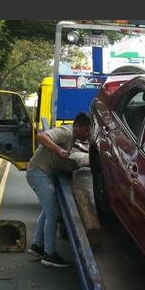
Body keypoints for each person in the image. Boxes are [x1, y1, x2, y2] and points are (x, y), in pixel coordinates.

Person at [25, 112, 90, 268]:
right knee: (52, 213)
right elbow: (41, 136)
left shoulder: (73, 138)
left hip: (42, 174)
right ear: (78, 126)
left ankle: (37, 246)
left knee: (47, 211)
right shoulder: (67, 132)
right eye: (86, 130)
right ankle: (49, 254)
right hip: (38, 173)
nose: (88, 134)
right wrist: (58, 150)